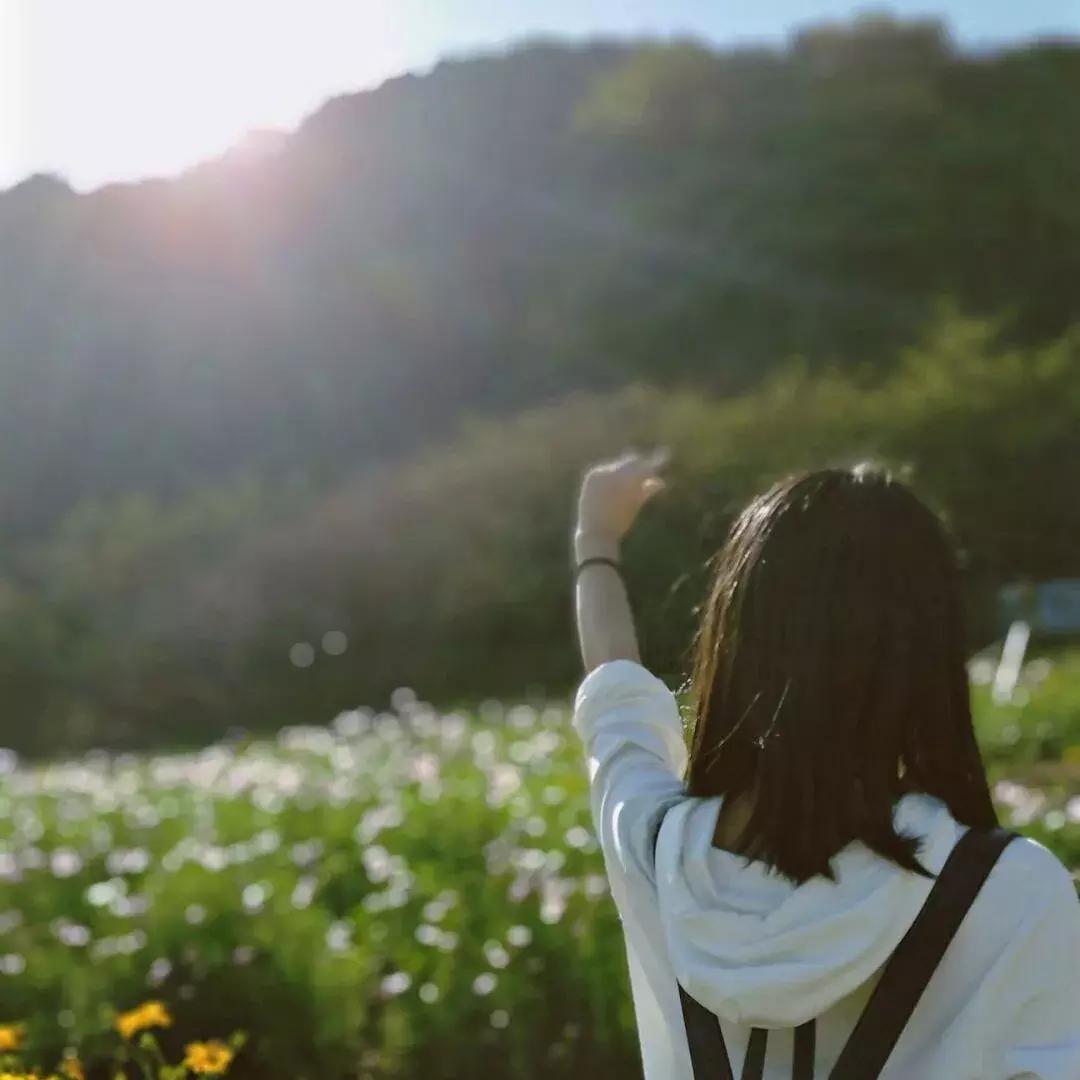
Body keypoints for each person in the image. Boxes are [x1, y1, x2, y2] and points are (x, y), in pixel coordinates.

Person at [571, 451, 1080, 1079]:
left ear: (734, 643)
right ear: (926, 656)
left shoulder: (654, 848)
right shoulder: (1012, 891)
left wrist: (595, 539)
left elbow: (615, 695)